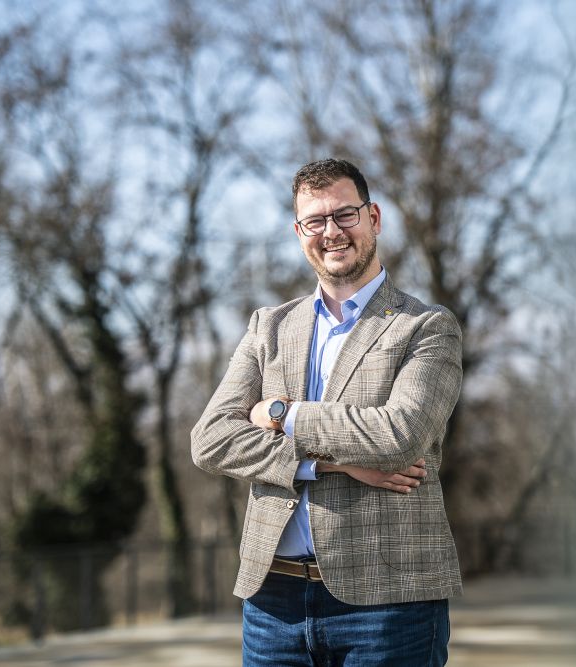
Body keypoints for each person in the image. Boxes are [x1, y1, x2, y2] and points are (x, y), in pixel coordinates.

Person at [191, 158, 463, 666]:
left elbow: (399, 436)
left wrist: (281, 413)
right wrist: (331, 465)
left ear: (373, 218)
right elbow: (210, 440)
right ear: (300, 233)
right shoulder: (269, 326)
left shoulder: (425, 326)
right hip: (272, 603)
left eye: (344, 214)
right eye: (315, 220)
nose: (331, 232)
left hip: (389, 602)